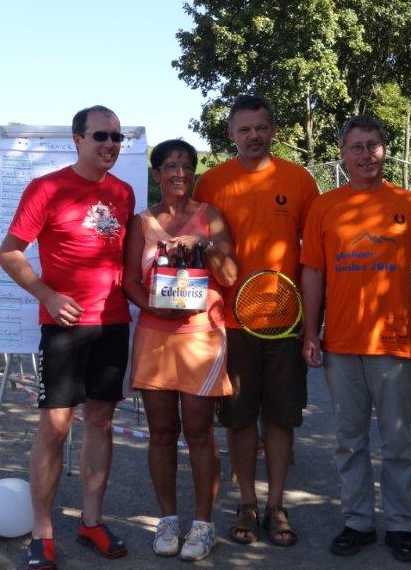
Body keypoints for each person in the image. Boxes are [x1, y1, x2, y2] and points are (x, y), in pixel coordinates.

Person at [300, 114, 411, 563]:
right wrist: (311, 331)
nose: (366, 155)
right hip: (341, 345)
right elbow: (313, 272)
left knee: (397, 442)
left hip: (394, 343)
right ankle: (358, 522)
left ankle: (400, 525)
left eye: (374, 146)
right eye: (357, 147)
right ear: (343, 154)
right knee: (349, 440)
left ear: (385, 150)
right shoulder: (324, 207)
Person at [0, 105, 135, 570]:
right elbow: (10, 253)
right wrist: (48, 296)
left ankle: (91, 521)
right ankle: (42, 533)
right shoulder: (47, 188)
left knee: (100, 423)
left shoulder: (123, 193)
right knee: (54, 428)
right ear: (78, 139)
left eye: (116, 137)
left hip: (112, 323)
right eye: (101, 136)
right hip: (64, 328)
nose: (110, 145)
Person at [192, 94, 320, 547]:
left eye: (261, 128)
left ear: (273, 130)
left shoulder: (299, 179)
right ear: (230, 133)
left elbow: (315, 258)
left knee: (282, 420)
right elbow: (196, 249)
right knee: (240, 420)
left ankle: (276, 505)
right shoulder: (211, 183)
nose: (253, 136)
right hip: (231, 324)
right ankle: (246, 503)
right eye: (244, 129)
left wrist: (312, 326)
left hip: (286, 324)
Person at [122, 139, 238, 562]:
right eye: (171, 166)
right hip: (155, 334)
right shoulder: (142, 222)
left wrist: (205, 245)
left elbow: (230, 275)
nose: (180, 173)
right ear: (156, 174)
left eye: (187, 166)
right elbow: (129, 281)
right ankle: (168, 520)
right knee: (161, 432)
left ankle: (203, 525)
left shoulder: (211, 216)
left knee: (200, 431)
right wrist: (152, 307)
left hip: (201, 336)